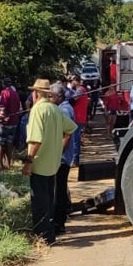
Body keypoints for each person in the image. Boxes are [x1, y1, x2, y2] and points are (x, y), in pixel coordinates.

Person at [23, 79, 77, 244]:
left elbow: (35, 140)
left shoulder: (38, 110)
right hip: (53, 164)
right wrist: (57, 146)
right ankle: (49, 234)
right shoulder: (55, 109)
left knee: (39, 203)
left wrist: (28, 161)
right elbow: (71, 128)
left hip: (39, 163)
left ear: (35, 93)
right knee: (48, 201)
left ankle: (43, 237)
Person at [51, 83, 75, 235]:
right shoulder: (63, 108)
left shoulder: (64, 110)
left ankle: (59, 223)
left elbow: (67, 134)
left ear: (59, 96)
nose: (49, 98)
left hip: (62, 157)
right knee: (60, 189)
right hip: (62, 156)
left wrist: (57, 152)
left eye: (51, 96)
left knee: (58, 190)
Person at [0, 77, 21, 170]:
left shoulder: (4, 93)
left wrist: (0, 118)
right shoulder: (15, 94)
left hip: (5, 123)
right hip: (14, 122)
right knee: (9, 142)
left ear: (3, 84)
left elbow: (2, 107)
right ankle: (8, 163)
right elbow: (19, 108)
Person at [70, 76, 88, 166]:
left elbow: (72, 100)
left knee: (75, 139)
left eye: (72, 81)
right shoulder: (82, 90)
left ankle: (74, 159)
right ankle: (75, 159)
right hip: (80, 117)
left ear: (75, 81)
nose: (71, 83)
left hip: (78, 117)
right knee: (76, 138)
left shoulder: (80, 90)